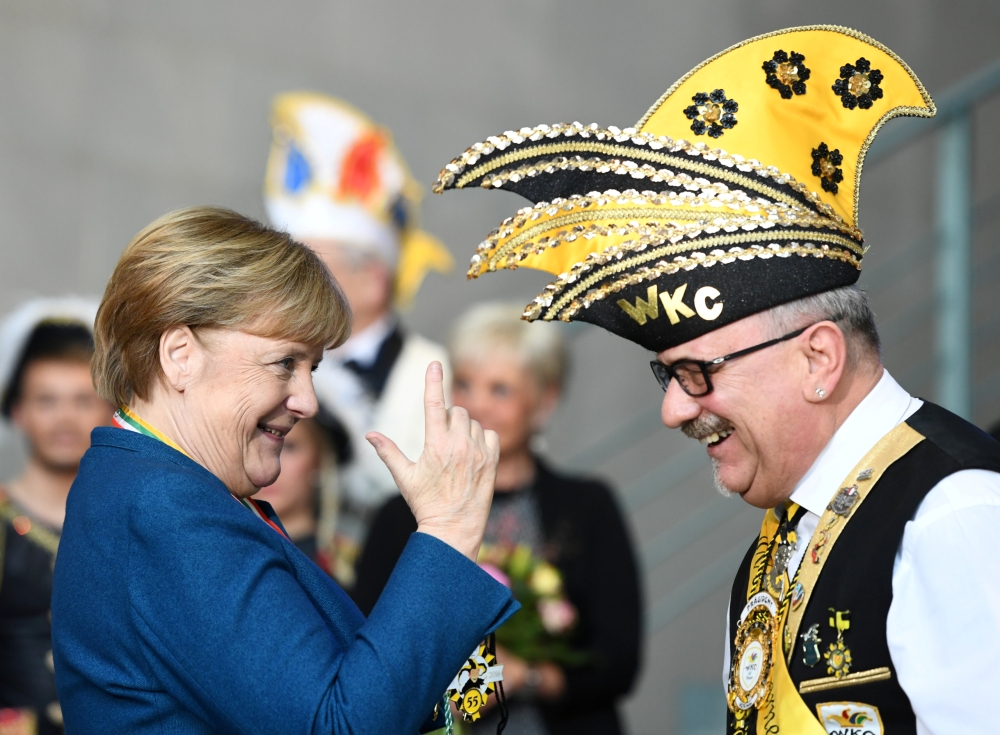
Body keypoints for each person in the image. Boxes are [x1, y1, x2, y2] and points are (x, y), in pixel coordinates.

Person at [434, 25, 999, 735]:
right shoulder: (783, 535)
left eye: (698, 372)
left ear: (818, 358)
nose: (673, 409)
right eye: (666, 376)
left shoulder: (953, 514)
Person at [51, 206, 518, 735]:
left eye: (312, 368)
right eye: (284, 364)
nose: (307, 401)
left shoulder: (159, 486)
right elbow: (338, 726)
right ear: (180, 354)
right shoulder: (168, 507)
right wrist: (448, 530)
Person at [354, 303, 641, 735]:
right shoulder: (399, 516)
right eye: (465, 384)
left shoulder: (588, 506)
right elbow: (369, 657)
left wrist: (522, 674)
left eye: (500, 389)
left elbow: (618, 659)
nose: (476, 405)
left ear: (545, 399)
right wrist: (470, 691)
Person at [264, 93, 454, 587]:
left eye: (311, 266)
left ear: (373, 279)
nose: (289, 283)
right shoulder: (265, 361)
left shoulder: (443, 376)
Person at [0, 297, 112, 735]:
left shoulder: (133, 523)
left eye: (83, 399)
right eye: (46, 400)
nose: (65, 418)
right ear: (18, 412)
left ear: (110, 410)